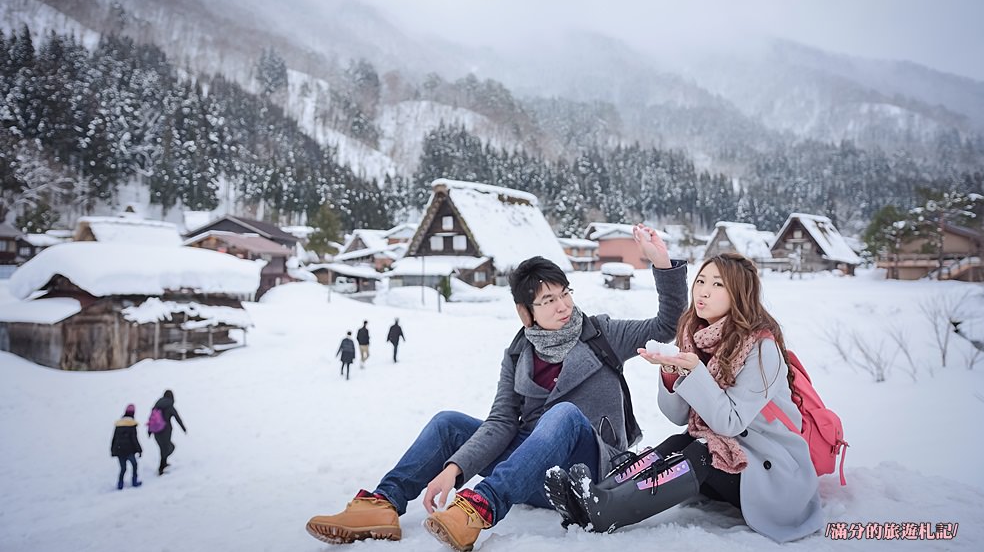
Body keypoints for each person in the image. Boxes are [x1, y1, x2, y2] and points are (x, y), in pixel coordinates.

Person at [305, 224, 687, 550]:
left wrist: (661, 264)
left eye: (565, 293)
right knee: (447, 423)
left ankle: (481, 507)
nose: (563, 306)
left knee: (564, 414)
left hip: (585, 472)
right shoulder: (519, 353)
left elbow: (666, 325)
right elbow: (501, 423)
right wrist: (454, 469)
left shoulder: (601, 333)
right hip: (531, 471)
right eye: (549, 300)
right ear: (526, 313)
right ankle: (383, 503)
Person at [560, 253, 823, 542]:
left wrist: (695, 372)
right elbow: (677, 417)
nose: (704, 291)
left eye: (718, 284)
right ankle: (597, 494)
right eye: (700, 281)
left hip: (772, 478)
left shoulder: (761, 350)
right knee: (679, 442)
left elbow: (729, 423)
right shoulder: (696, 338)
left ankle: (609, 509)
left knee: (702, 449)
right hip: (732, 465)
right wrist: (672, 374)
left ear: (740, 294)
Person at [150, 389, 187, 476]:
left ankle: (164, 464)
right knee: (168, 448)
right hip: (165, 431)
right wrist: (183, 428)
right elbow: (177, 418)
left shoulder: (157, 405)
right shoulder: (170, 406)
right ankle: (161, 469)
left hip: (156, 431)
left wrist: (149, 431)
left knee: (163, 448)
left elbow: (151, 418)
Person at [110, 403, 143, 490]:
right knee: (134, 465)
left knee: (123, 468)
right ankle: (134, 481)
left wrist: (112, 450)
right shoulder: (131, 424)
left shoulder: (118, 424)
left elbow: (114, 438)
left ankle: (120, 484)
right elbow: (134, 439)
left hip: (119, 450)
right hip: (129, 450)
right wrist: (139, 450)